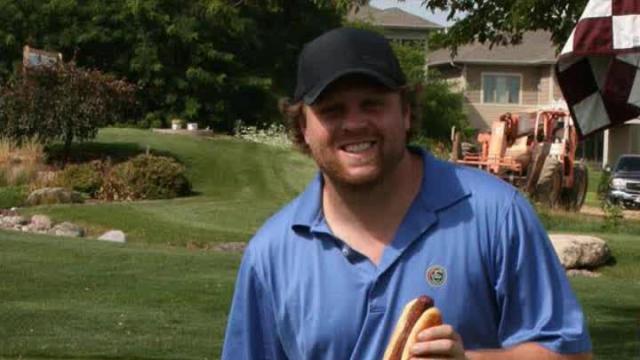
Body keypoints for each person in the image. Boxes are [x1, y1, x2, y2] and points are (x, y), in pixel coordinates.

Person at [221, 27, 592, 360]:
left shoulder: (495, 215)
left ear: (406, 112)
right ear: (302, 128)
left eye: (372, 103)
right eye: (332, 110)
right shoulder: (272, 253)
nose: (354, 123)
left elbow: (572, 356)